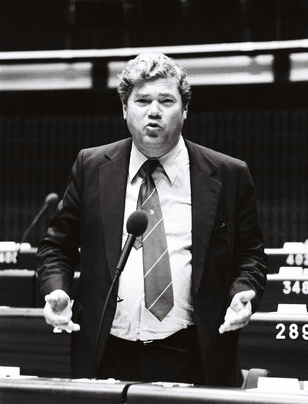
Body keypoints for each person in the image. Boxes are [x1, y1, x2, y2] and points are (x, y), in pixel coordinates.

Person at [37, 52, 268, 386]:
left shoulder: (229, 174)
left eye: (166, 100)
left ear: (185, 110)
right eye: (142, 100)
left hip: (193, 353)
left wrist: (243, 292)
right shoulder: (91, 167)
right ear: (124, 110)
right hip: (106, 353)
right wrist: (56, 291)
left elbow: (251, 256)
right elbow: (55, 246)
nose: (154, 111)